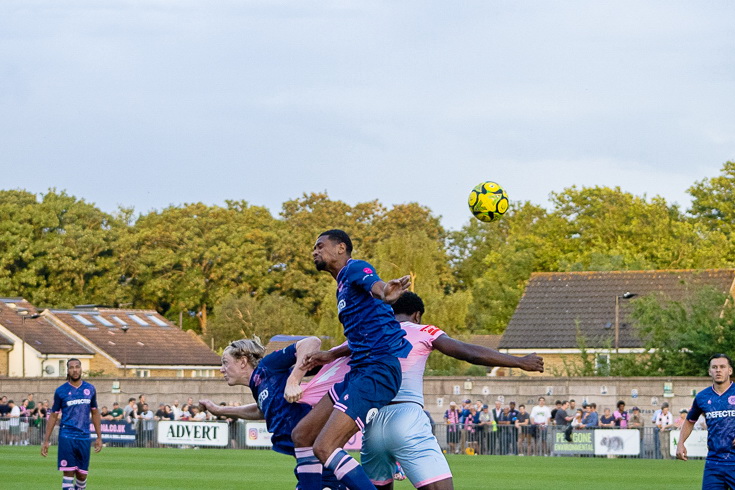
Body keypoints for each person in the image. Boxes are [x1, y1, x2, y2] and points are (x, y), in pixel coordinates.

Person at [304, 291, 544, 489]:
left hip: (371, 422)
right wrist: (520, 361)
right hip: (406, 418)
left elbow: (333, 356)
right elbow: (468, 352)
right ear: (417, 315)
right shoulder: (424, 331)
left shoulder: (371, 335)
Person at [291, 229, 414, 490]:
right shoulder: (342, 288)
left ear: (341, 248)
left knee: (324, 447)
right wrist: (330, 354)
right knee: (302, 435)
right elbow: (364, 333)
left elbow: (376, 286)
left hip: (377, 371)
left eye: (320, 245)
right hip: (359, 371)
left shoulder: (354, 268)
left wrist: (385, 291)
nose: (315, 251)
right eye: (314, 247)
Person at [199, 336, 347, 489]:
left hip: (321, 462)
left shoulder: (267, 366)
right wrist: (218, 410)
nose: (221, 369)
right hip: (308, 461)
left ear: (243, 361)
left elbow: (312, 342)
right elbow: (260, 410)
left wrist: (293, 380)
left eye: (225, 362)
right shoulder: (257, 386)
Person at [41, 358, 102, 490]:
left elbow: (95, 413)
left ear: (81, 369)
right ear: (67, 370)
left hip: (84, 436)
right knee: (68, 473)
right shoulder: (61, 391)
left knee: (81, 475)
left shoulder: (90, 389)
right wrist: (46, 440)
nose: (75, 370)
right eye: (71, 367)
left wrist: (99, 437)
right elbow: (53, 415)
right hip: (67, 436)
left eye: (77, 367)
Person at [676, 353, 735, 488]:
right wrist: (680, 443)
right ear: (710, 371)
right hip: (714, 463)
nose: (718, 370)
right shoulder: (702, 397)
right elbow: (690, 421)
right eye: (714, 367)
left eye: (722, 367)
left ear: (729, 370)